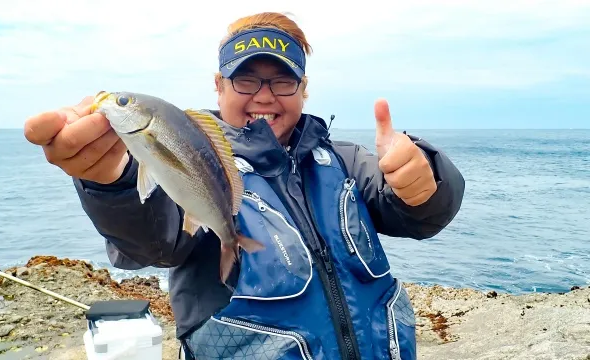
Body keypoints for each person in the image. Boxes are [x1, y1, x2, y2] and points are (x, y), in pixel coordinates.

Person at [24, 12, 465, 360]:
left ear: (304, 90)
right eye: (246, 79)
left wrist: (424, 178)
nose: (265, 95)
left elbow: (416, 213)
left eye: (283, 80)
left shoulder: (346, 161)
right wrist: (111, 182)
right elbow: (154, 240)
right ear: (219, 86)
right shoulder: (197, 156)